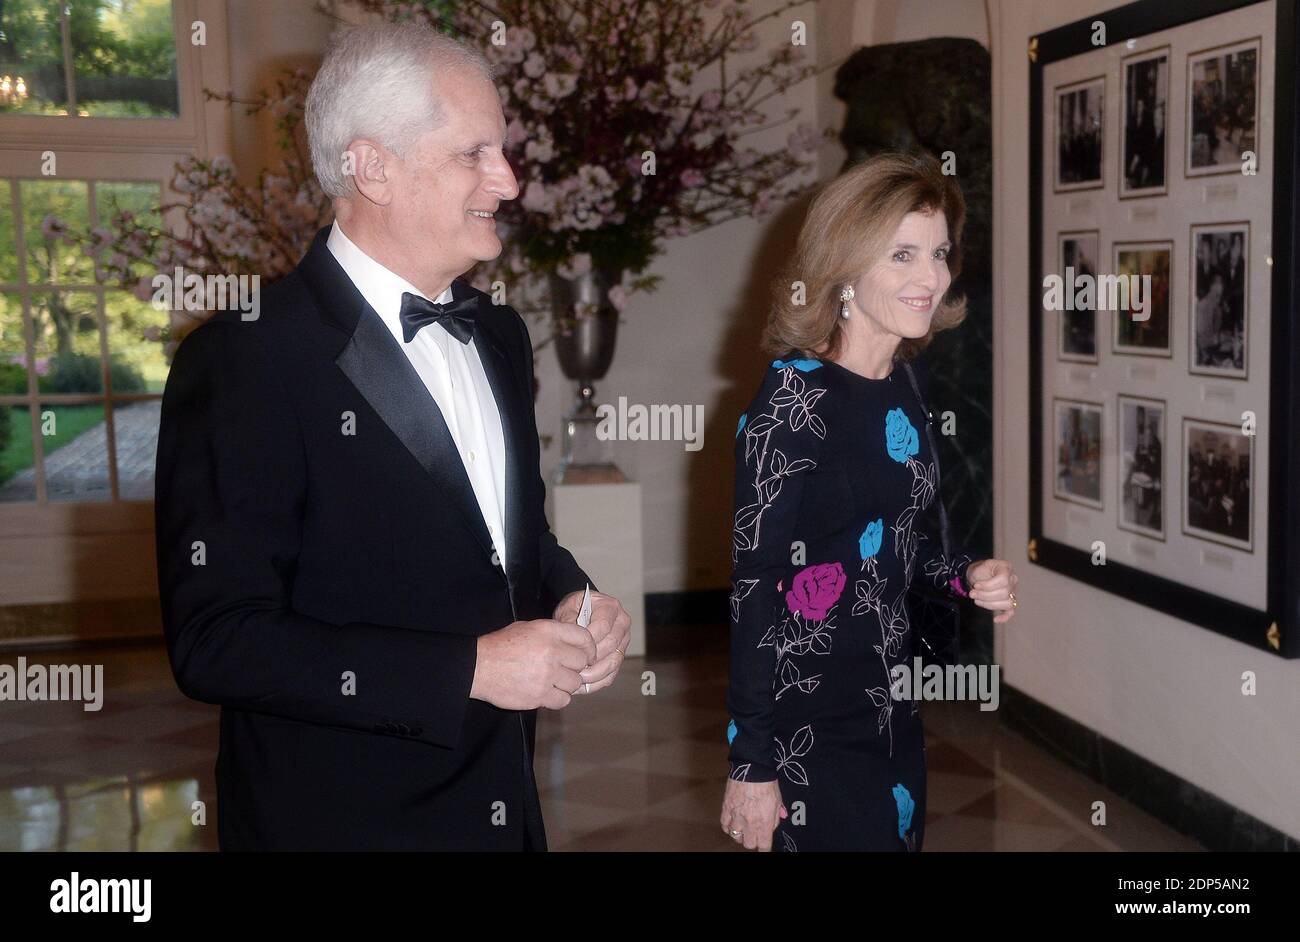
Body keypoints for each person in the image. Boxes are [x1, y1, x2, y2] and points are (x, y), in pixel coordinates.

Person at [154, 21, 631, 851]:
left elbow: (511, 542)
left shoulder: (501, 336)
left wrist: (573, 594)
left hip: (502, 810)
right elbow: (216, 641)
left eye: (504, 152)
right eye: (474, 153)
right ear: (372, 167)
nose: (509, 182)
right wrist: (472, 670)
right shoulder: (245, 358)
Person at [720, 152, 1019, 852]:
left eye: (939, 253)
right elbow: (754, 591)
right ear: (846, 268)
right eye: (903, 255)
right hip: (805, 728)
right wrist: (751, 764)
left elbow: (899, 548)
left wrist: (964, 576)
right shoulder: (791, 401)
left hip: (890, 709)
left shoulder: (904, 389)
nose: (932, 277)